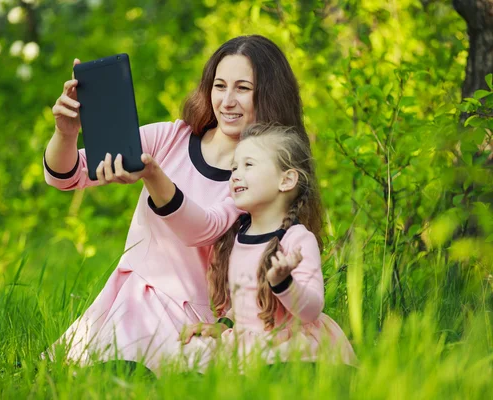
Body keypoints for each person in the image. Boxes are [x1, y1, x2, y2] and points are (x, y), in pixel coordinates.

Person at [42, 35, 310, 374]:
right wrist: (65, 133)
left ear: (269, 95)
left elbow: (204, 227)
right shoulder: (172, 137)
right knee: (95, 376)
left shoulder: (259, 172)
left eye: (242, 88)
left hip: (196, 320)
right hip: (133, 304)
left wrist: (153, 176)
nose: (227, 101)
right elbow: (67, 175)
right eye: (219, 85)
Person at [144, 123, 356, 371]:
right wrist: (223, 324)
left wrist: (284, 283)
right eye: (234, 167)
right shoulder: (240, 235)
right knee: (189, 362)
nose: (235, 174)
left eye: (249, 165)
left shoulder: (296, 239)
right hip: (249, 344)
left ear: (286, 180)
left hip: (292, 345)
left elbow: (310, 311)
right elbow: (248, 304)